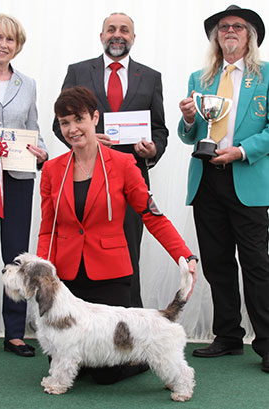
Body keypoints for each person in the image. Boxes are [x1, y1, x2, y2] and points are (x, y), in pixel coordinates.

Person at [37, 86, 197, 384]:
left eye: (78, 119)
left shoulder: (124, 165)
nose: (72, 129)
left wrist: (184, 255)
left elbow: (153, 216)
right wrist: (44, 272)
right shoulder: (51, 170)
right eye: (64, 123)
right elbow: (48, 227)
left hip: (110, 276)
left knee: (106, 374)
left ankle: (143, 352)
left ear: (95, 117)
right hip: (67, 282)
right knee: (67, 357)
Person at [52, 12, 168, 308]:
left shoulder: (151, 76)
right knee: (82, 249)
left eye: (125, 30)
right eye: (111, 29)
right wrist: (89, 139)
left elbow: (159, 129)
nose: (118, 34)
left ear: (133, 37)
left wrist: (152, 149)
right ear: (101, 36)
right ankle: (79, 328)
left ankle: (132, 332)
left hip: (129, 180)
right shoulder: (78, 72)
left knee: (129, 255)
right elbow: (59, 123)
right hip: (85, 176)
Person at [178, 5, 269, 373]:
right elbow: (189, 135)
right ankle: (228, 336)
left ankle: (266, 343)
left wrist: (242, 151)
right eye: (223, 27)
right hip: (207, 180)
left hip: (247, 178)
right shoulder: (198, 78)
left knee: (257, 264)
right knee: (217, 263)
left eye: (237, 26)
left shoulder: (265, 78)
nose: (229, 31)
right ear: (216, 37)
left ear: (249, 36)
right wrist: (187, 119)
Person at [0, 14, 48, 356]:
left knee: (16, 257)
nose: (3, 44)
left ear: (17, 46)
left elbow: (34, 126)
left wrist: (42, 151)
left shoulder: (27, 84)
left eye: (10, 40)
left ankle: (15, 332)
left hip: (17, 179)